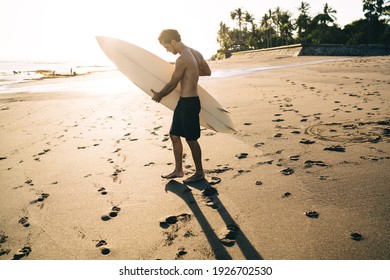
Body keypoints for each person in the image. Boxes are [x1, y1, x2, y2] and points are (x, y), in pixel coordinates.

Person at [151, 29, 211, 184]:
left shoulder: (182, 59)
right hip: (185, 102)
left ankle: (199, 173)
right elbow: (207, 71)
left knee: (191, 139)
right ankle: (178, 170)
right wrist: (191, 73)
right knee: (174, 134)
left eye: (166, 47)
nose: (167, 50)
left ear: (173, 42)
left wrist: (159, 95)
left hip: (189, 103)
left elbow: (172, 83)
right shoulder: (195, 53)